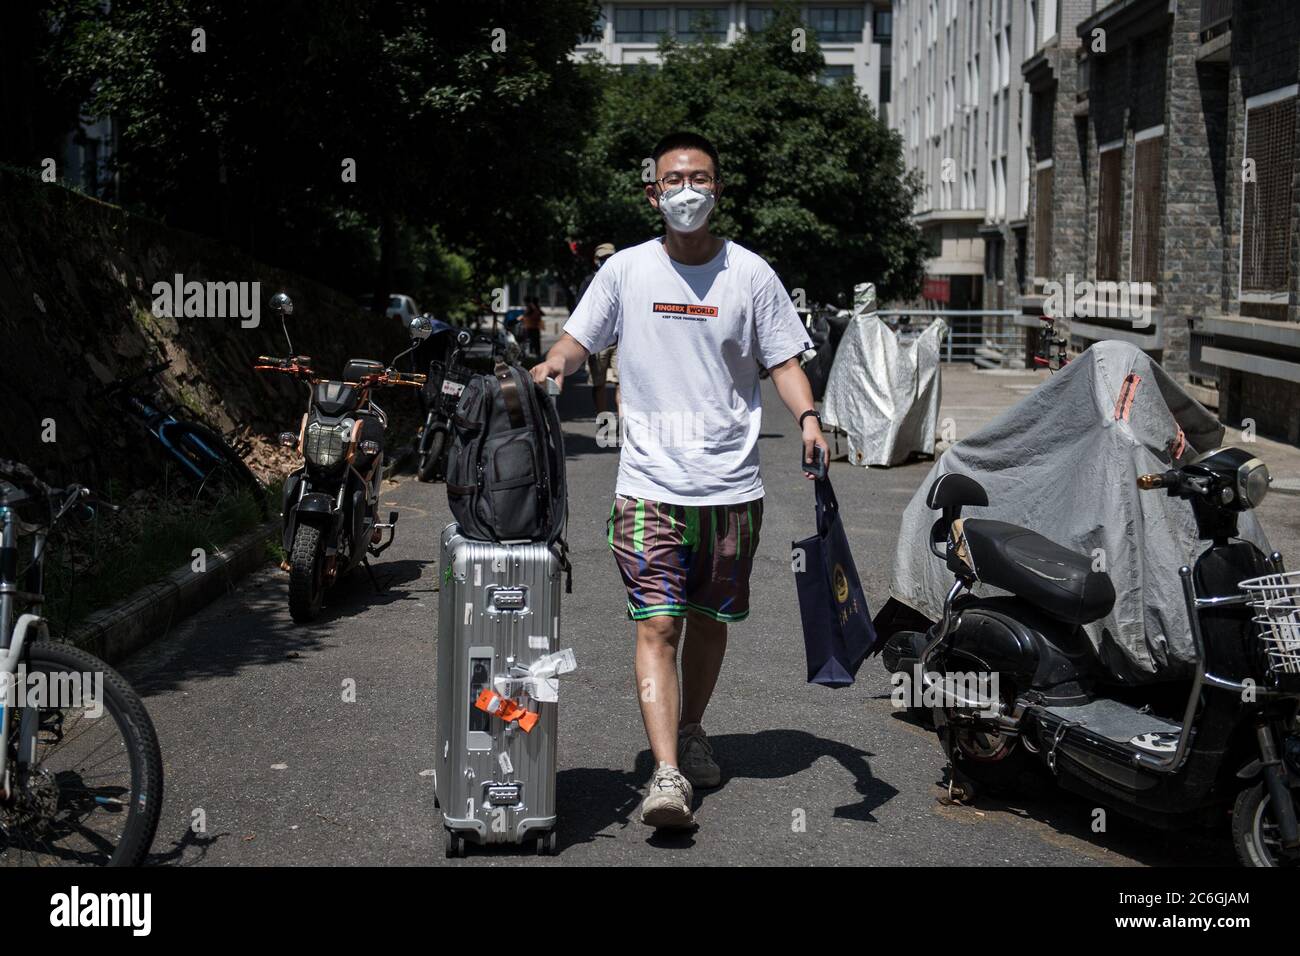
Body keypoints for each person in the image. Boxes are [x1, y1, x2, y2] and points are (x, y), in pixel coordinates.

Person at [529, 131, 828, 830]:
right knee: (659, 623)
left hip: (730, 489)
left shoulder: (750, 275)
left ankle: (692, 728)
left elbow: (783, 359)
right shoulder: (627, 272)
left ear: (717, 190)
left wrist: (809, 418)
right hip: (648, 484)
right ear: (652, 192)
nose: (686, 190)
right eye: (673, 179)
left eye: (699, 178)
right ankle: (666, 773)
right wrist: (555, 365)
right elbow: (580, 338)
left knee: (708, 622)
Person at [577, 243, 619, 420]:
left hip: (620, 340)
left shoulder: (624, 280)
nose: (607, 261)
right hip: (598, 343)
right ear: (596, 261)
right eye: (603, 258)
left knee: (623, 383)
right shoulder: (588, 282)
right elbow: (579, 312)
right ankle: (603, 420)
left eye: (610, 257)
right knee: (599, 383)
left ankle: (624, 422)